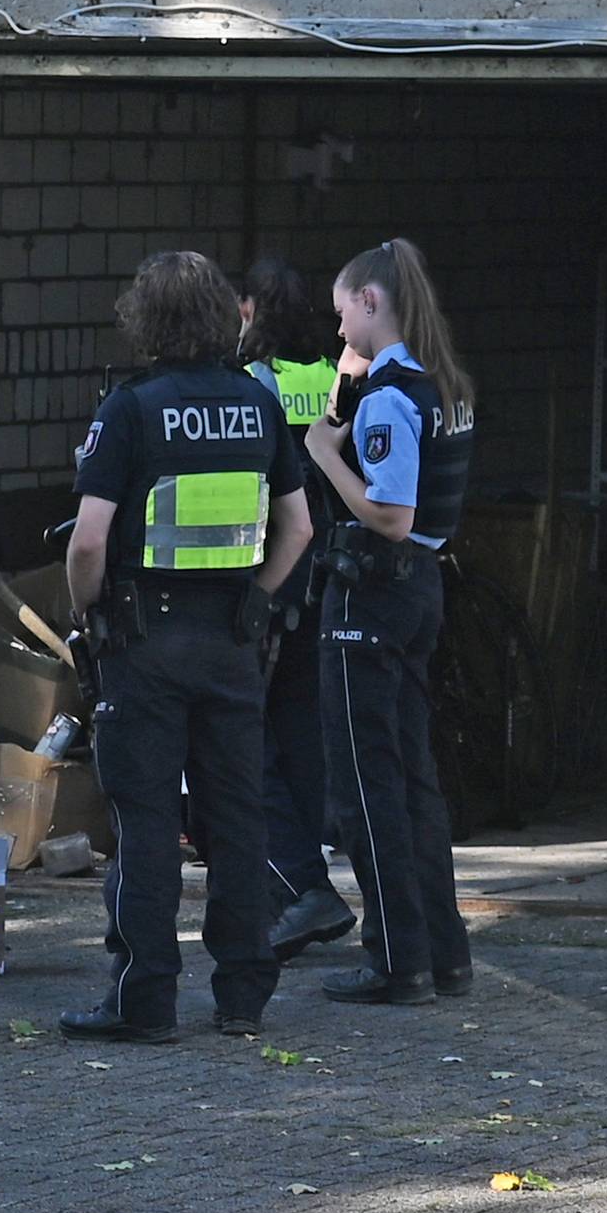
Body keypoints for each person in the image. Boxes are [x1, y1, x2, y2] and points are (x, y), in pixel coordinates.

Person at [59, 251, 315, 1043]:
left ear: (146, 321)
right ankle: (242, 995)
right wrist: (258, 601)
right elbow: (298, 528)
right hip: (234, 641)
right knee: (236, 820)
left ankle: (145, 1000)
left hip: (145, 639)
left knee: (145, 823)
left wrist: (88, 614)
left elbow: (89, 543)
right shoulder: (256, 403)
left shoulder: (131, 409)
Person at [304, 239, 476, 1007]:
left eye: (343, 316)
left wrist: (321, 450)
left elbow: (391, 514)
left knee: (365, 788)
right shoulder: (443, 383)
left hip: (375, 593)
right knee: (412, 780)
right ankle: (442, 953)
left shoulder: (390, 399)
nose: (339, 334)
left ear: (371, 302)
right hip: (422, 594)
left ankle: (394, 961)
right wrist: (342, 398)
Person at [236, 255, 356, 962]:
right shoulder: (329, 378)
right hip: (331, 580)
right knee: (303, 736)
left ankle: (301, 885)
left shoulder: (253, 383)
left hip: (275, 580)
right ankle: (299, 885)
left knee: (251, 741)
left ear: (251, 311)